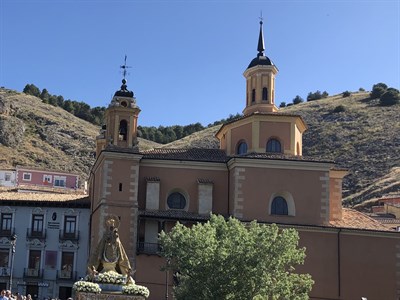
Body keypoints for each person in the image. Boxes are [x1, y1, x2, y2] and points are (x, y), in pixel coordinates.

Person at [87, 215, 134, 284]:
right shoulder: (105, 235)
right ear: (108, 226)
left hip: (114, 254)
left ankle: (126, 275)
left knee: (120, 260)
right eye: (110, 226)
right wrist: (100, 254)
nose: (111, 227)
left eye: (112, 226)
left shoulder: (116, 234)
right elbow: (102, 244)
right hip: (105, 253)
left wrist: (115, 237)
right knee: (98, 261)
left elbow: (118, 244)